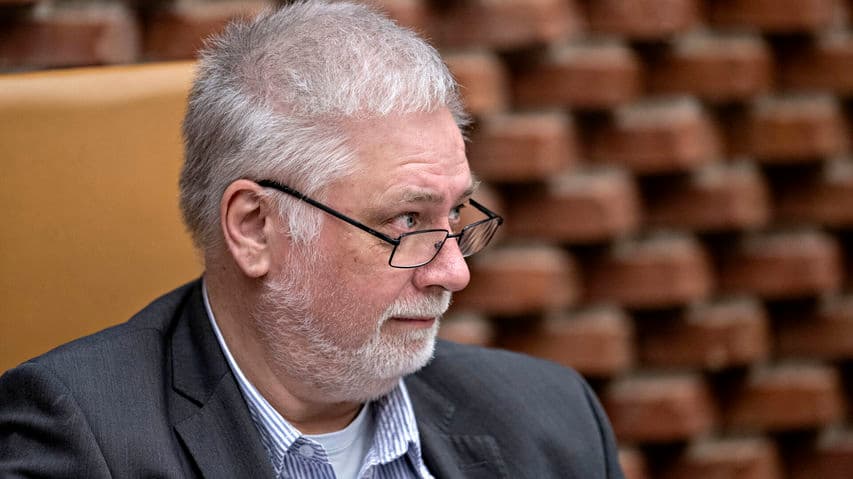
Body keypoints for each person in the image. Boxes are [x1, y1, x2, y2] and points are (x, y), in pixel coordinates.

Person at [0, 1, 624, 478]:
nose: (453, 272)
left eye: (456, 213)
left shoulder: (550, 418)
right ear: (254, 227)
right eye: (407, 221)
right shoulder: (81, 438)